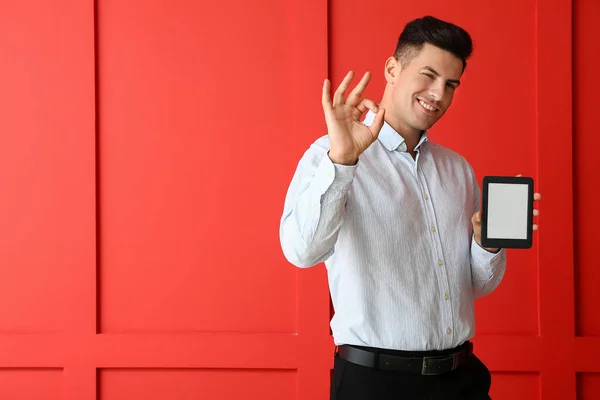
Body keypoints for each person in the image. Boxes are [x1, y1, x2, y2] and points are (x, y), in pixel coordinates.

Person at [279, 15, 541, 400]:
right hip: (376, 384)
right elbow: (301, 252)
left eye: (451, 84)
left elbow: (475, 287)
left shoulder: (458, 170)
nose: (438, 94)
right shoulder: (329, 155)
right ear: (392, 68)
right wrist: (342, 162)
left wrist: (486, 245)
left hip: (461, 379)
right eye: (429, 75)